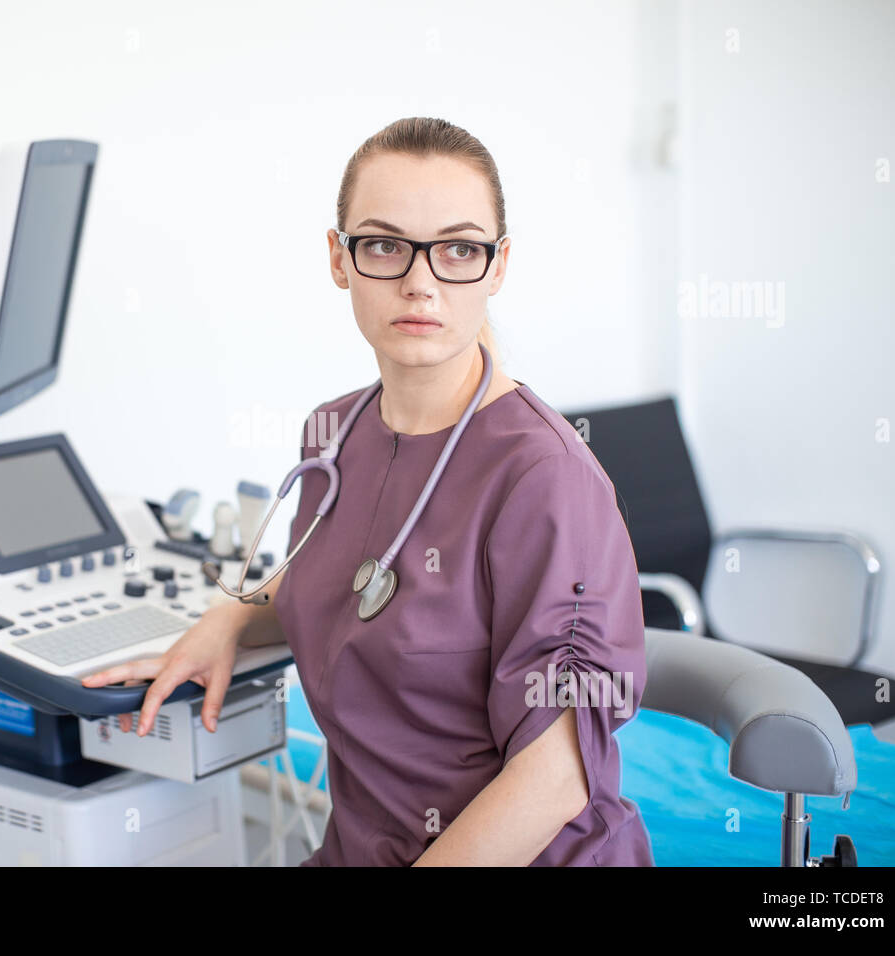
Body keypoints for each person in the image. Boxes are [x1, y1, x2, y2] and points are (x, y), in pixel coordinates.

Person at [82, 116, 654, 866]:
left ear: (498, 265)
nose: (420, 282)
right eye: (384, 245)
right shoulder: (333, 432)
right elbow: (334, 578)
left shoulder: (545, 479)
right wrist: (231, 618)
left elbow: (555, 780)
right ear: (339, 258)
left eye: (458, 249)